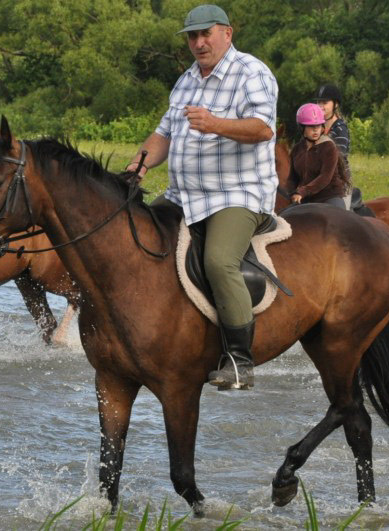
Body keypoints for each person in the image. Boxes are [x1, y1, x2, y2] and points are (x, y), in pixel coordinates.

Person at [125, 4, 278, 390]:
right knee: (134, 236)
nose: (198, 42)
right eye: (192, 36)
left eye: (205, 33)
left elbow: (263, 129)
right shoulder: (186, 81)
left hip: (237, 193)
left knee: (219, 261)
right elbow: (164, 134)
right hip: (183, 193)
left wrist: (215, 124)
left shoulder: (251, 72)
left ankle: (240, 363)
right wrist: (139, 166)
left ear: (228, 32)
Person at [287, 103, 348, 208]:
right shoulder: (297, 150)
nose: (316, 129)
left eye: (318, 125)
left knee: (340, 221)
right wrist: (291, 193)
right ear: (302, 127)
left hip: (329, 197)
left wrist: (302, 191)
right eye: (311, 126)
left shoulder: (329, 147)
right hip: (306, 199)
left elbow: (325, 177)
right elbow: (292, 178)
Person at [314, 84, 352, 209]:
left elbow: (337, 158)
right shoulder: (315, 127)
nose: (320, 106)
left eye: (324, 103)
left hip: (338, 185)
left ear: (335, 105)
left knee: (340, 220)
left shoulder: (340, 129)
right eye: (318, 102)